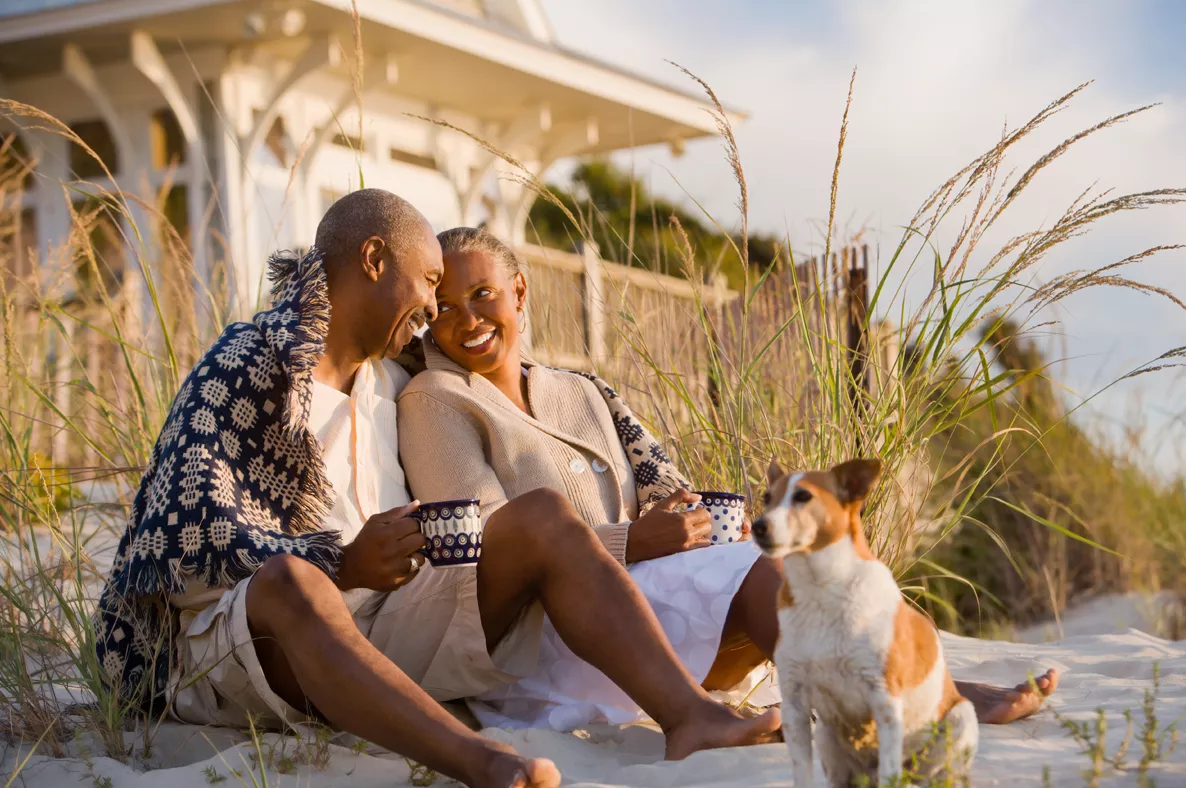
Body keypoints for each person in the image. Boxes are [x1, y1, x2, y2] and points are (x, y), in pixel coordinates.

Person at [93, 189, 778, 788]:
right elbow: (177, 550)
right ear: (372, 261)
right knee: (292, 583)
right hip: (249, 642)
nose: (431, 307)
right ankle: (482, 765)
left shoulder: (392, 383)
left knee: (537, 518)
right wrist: (341, 562)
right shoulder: (252, 363)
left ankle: (690, 716)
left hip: (387, 624)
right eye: (427, 282)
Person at [397, 226, 1060, 730]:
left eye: (481, 294)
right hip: (553, 637)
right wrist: (636, 543)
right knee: (757, 573)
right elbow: (484, 547)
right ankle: (895, 701)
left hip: (652, 615)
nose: (467, 319)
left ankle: (915, 684)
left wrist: (686, 519)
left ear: (519, 292)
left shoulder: (582, 390)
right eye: (445, 307)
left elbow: (665, 486)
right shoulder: (436, 398)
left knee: (785, 559)